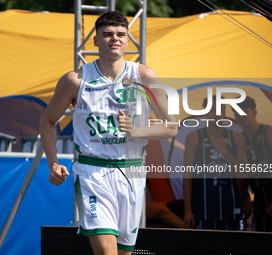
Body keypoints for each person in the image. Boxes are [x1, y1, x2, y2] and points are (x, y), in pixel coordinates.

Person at [39, 11, 177, 255]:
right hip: (93, 172)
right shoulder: (75, 80)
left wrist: (137, 130)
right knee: (105, 253)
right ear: (95, 40)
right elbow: (47, 121)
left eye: (121, 34)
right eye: (108, 34)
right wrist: (53, 162)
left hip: (131, 172)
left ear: (127, 39)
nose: (115, 38)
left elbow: (171, 126)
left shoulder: (145, 76)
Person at [183, 96, 248, 230]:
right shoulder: (194, 137)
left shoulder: (237, 137)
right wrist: (187, 210)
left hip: (231, 207)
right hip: (203, 209)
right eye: (212, 110)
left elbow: (244, 173)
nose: (217, 114)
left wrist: (224, 151)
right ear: (205, 112)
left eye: (221, 110)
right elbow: (187, 176)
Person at [232, 96, 272, 232]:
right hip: (260, 202)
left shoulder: (269, 132)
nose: (241, 116)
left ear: (254, 113)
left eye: (245, 111)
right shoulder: (239, 141)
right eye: (237, 113)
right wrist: (240, 201)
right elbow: (243, 176)